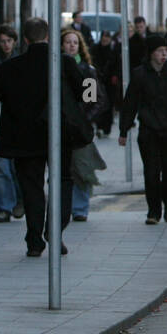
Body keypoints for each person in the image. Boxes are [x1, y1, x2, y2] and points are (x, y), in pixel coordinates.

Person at [0, 18, 85, 257]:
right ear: (48, 37)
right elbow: (87, 91)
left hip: (24, 137)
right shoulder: (65, 63)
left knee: (31, 188)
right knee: (62, 182)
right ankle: (55, 232)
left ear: (26, 39)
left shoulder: (11, 67)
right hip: (59, 134)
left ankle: (34, 240)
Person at [119, 35, 167, 224]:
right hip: (149, 130)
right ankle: (153, 211)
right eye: (159, 51)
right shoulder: (140, 74)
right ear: (151, 53)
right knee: (151, 172)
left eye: (166, 51)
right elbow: (130, 103)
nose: (164, 55)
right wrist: (124, 130)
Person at [63, 29, 108, 221]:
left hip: (80, 128)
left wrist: (85, 119)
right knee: (64, 169)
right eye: (68, 42)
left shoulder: (87, 70)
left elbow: (93, 101)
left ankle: (80, 209)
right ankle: (65, 207)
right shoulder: (56, 69)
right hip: (61, 125)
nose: (72, 45)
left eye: (75, 42)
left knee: (81, 168)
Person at [0, 24, 23, 219]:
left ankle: (19, 199)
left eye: (8, 41)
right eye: (2, 41)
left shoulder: (20, 62)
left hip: (17, 120)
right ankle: (5, 206)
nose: (5, 45)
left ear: (14, 42)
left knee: (16, 166)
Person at [90, 30, 121, 136]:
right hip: (98, 79)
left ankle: (106, 127)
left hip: (110, 82)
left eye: (107, 37)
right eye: (104, 36)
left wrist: (115, 76)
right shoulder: (95, 48)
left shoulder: (113, 50)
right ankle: (99, 126)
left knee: (109, 104)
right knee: (98, 103)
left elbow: (117, 64)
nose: (105, 39)